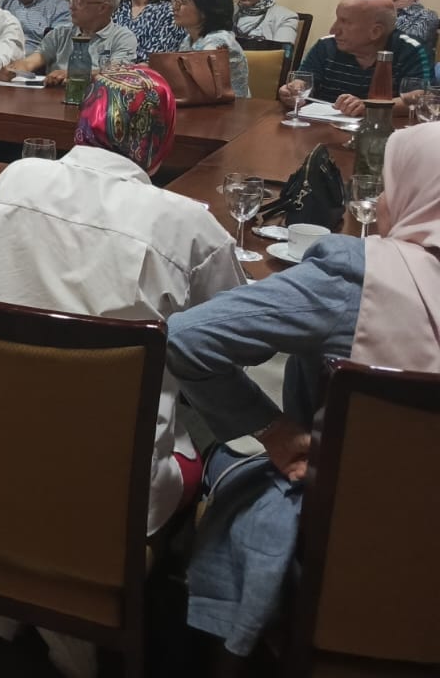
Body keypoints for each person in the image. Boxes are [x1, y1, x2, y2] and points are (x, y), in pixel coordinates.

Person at [166, 121, 440, 659]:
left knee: (205, 435)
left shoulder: (355, 279)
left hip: (344, 532)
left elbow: (186, 339)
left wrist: (275, 432)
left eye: (388, 186)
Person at [0, 66, 245, 533]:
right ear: (161, 138)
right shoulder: (186, 224)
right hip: (114, 490)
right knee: (221, 433)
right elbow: (236, 334)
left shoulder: (15, 179)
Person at [278, 0, 431, 116]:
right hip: (323, 129)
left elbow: (421, 97)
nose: (333, 30)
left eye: (344, 22)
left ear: (375, 32)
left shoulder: (409, 49)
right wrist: (293, 90)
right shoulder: (326, 46)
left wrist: (368, 107)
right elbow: (304, 81)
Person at [5, 0, 137, 85]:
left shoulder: (122, 37)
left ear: (103, 8)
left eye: (79, 2)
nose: (71, 7)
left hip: (98, 101)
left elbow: (116, 73)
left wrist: (73, 75)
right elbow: (31, 61)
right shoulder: (60, 34)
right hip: (53, 99)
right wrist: (13, 70)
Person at [173, 0, 251, 98]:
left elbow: (194, 87)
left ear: (205, 8)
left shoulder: (219, 41)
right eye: (176, 0)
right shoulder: (188, 40)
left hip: (229, 108)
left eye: (183, 1)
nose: (175, 7)